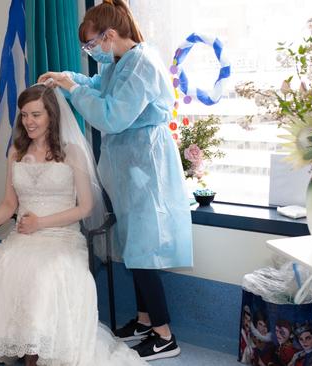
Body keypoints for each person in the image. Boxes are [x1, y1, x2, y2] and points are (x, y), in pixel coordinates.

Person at [38, 0, 192, 360]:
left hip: (145, 170)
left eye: (91, 45)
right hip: (129, 169)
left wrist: (74, 91)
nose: (91, 53)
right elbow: (97, 84)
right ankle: (144, 320)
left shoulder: (142, 64)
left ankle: (165, 334)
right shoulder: (121, 62)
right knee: (133, 246)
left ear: (109, 36)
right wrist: (68, 79)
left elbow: (111, 114)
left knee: (144, 251)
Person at [0, 84, 147, 366]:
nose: (29, 121)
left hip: (61, 237)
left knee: (44, 274)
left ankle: (39, 353)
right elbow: (9, 203)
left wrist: (41, 222)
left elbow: (85, 207)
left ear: (51, 115)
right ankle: (28, 348)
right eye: (25, 115)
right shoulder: (16, 152)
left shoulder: (71, 152)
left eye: (36, 115)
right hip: (25, 237)